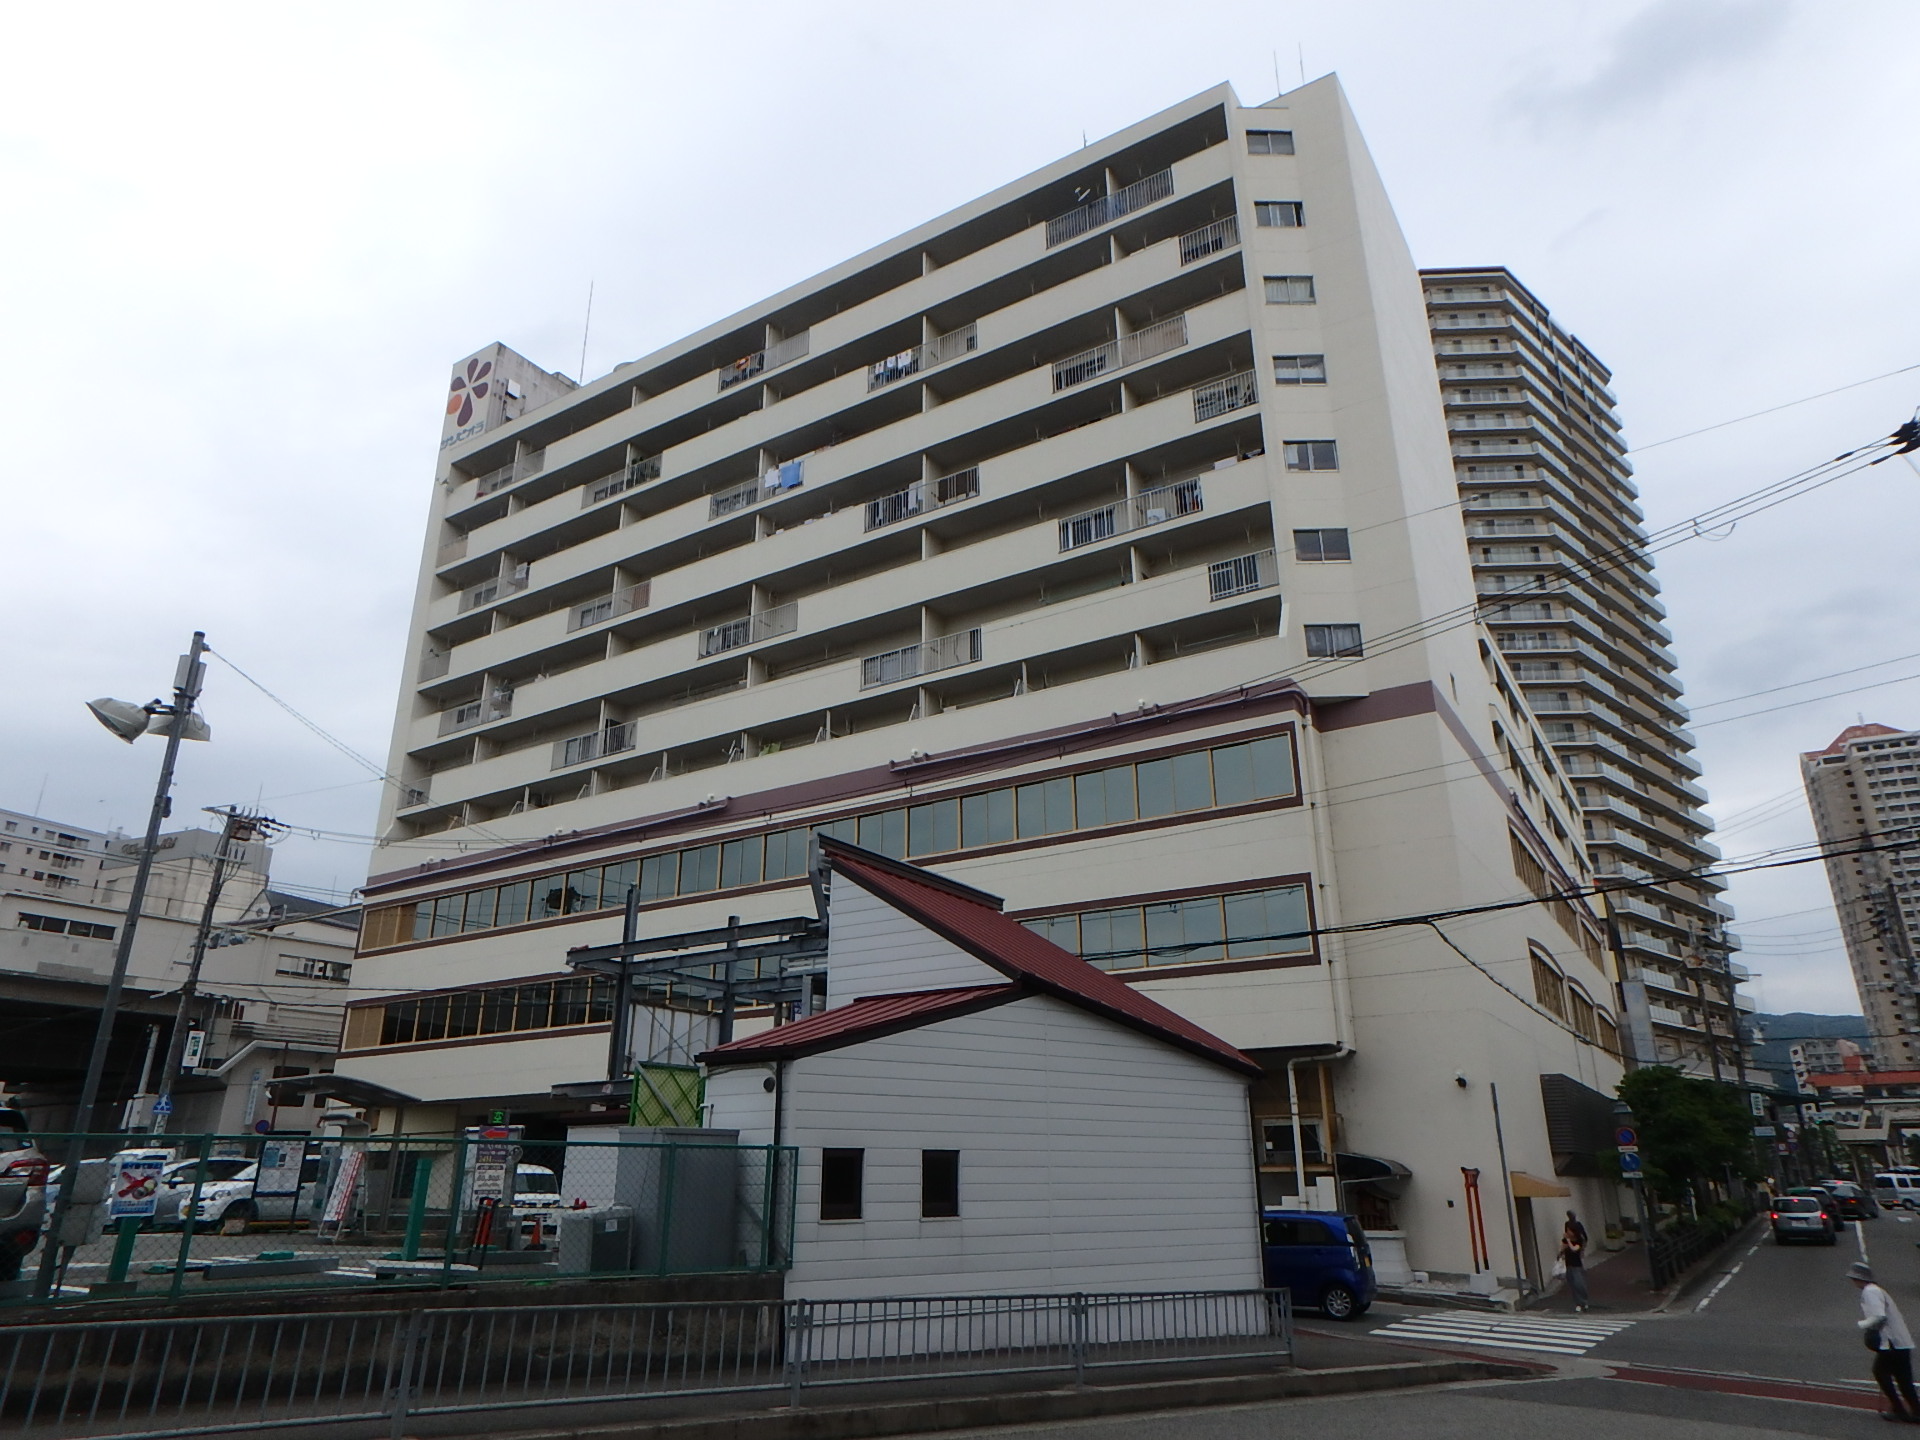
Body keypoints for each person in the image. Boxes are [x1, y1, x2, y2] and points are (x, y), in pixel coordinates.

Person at [1851, 1260, 1920, 1423]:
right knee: (1903, 1378)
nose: (1853, 1282)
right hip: (1901, 1340)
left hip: (1891, 1342)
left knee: (1881, 1372)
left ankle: (1899, 1409)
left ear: (1859, 1278)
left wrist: (1862, 1324)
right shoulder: (1877, 1290)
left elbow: (1879, 1316)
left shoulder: (1870, 1291)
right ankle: (1916, 1411)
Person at [1558, 1217, 1590, 1312]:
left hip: (1577, 1266)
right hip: (1568, 1265)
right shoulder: (1565, 1240)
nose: (1568, 1232)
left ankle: (1584, 1301)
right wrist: (1563, 1246)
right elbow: (1561, 1249)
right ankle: (1578, 1303)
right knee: (1573, 1285)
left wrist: (1568, 1241)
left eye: (1569, 1230)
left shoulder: (1578, 1240)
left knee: (1579, 1284)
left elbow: (1574, 1249)